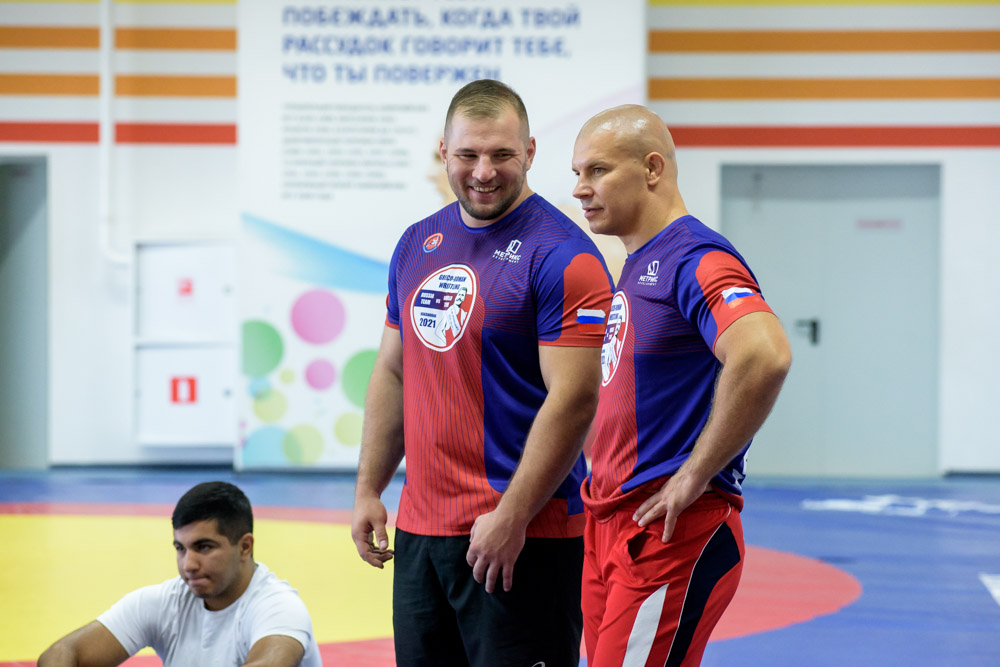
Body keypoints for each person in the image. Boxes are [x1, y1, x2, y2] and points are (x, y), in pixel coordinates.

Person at [351, 79, 614, 667]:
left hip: (523, 535)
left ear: (531, 152)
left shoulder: (562, 255)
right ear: (443, 152)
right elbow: (393, 371)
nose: (484, 172)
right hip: (422, 535)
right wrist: (369, 488)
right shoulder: (416, 243)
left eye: (502, 154)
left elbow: (574, 399)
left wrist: (513, 515)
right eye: (468, 154)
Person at [571, 105, 792, 666]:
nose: (579, 189)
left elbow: (764, 354)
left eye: (597, 170)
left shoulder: (695, 257)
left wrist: (695, 473)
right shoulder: (639, 262)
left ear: (652, 168)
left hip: (669, 533)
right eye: (577, 173)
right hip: (613, 527)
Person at [38, 481, 321, 667]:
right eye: (180, 548)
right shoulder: (164, 602)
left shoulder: (279, 608)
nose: (188, 564)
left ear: (245, 547)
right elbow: (63, 653)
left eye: (204, 547)